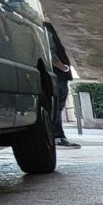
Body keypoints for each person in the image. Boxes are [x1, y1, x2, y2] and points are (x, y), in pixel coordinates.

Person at [43, 21, 80, 149]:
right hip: (58, 74)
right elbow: (51, 53)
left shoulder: (51, 29)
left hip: (59, 75)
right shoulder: (48, 30)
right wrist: (63, 67)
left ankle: (57, 136)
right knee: (57, 107)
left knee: (57, 107)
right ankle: (58, 136)